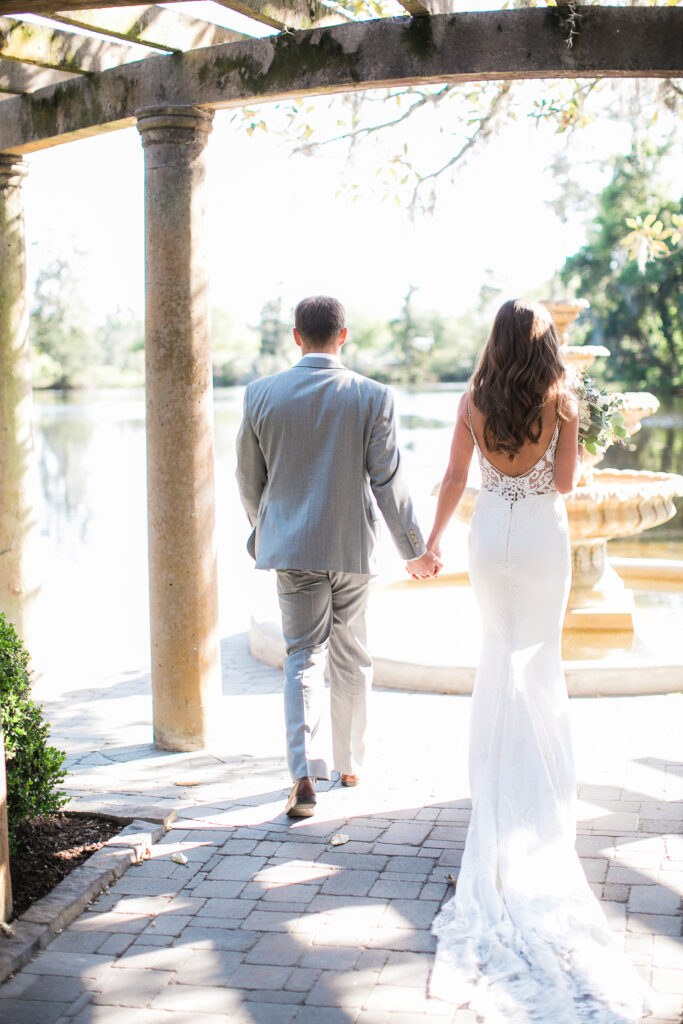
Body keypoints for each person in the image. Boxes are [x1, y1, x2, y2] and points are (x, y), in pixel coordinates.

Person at [426, 299, 647, 1021]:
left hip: (488, 537)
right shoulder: (563, 400)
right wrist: (564, 435)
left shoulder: (469, 402)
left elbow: (455, 481)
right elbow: (560, 485)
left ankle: (492, 800)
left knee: (496, 663)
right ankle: (543, 799)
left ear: (492, 339)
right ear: (546, 344)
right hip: (544, 542)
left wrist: (430, 544)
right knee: (539, 665)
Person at [236, 295, 441, 818]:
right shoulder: (372, 396)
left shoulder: (260, 395)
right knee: (352, 653)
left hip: (294, 550)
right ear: (343, 335)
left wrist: (267, 529)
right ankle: (350, 764)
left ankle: (304, 776)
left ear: (297, 336)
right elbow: (387, 481)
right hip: (353, 546)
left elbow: (247, 479)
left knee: (303, 656)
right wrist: (414, 551)